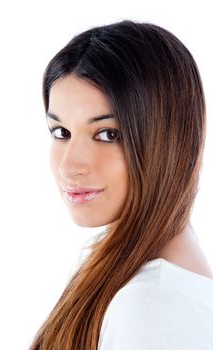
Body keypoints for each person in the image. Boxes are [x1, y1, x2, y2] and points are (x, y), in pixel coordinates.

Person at [29, 20, 213, 350]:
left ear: (169, 140)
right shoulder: (141, 275)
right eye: (61, 132)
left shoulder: (154, 308)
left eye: (108, 134)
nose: (70, 165)